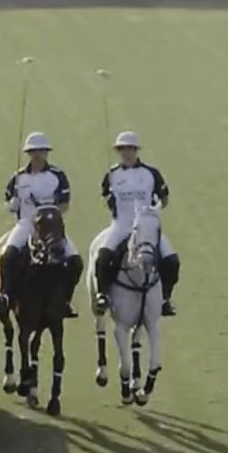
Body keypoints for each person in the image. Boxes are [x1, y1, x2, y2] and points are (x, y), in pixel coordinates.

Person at [92, 130, 179, 318]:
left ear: (136, 150)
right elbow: (104, 197)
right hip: (121, 226)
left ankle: (165, 298)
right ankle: (102, 295)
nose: (126, 153)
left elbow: (164, 198)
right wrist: (110, 202)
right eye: (122, 149)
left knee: (171, 260)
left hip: (145, 229)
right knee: (103, 256)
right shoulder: (112, 174)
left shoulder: (151, 173)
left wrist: (153, 212)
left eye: (130, 149)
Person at [0, 131, 82, 318]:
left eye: (41, 151)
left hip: (51, 227)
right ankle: (5, 295)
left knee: (75, 261)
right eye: (34, 151)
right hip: (26, 224)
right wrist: (12, 205)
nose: (37, 155)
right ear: (28, 153)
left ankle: (65, 300)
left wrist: (50, 216)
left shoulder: (57, 175)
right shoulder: (18, 177)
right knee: (7, 256)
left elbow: (65, 203)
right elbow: (8, 200)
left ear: (46, 152)